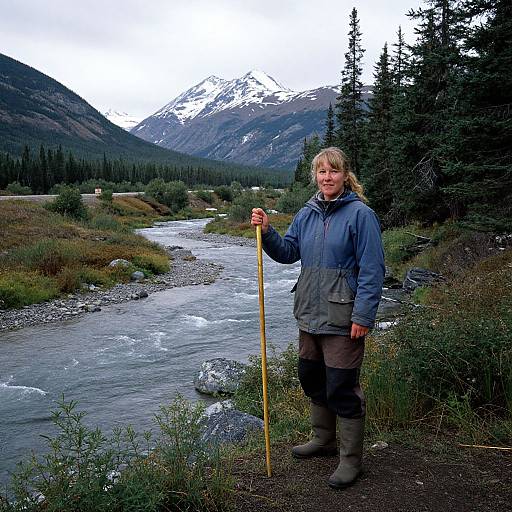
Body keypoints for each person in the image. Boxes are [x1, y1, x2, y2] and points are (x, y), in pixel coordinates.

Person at [251, 147, 385, 489]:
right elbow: (287, 252)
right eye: (322, 172)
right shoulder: (307, 213)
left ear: (345, 175)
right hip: (309, 314)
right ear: (316, 176)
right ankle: (323, 439)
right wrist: (267, 232)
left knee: (342, 387)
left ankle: (351, 460)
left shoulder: (361, 215)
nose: (327, 177)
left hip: (343, 316)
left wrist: (364, 316)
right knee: (311, 377)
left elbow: (372, 270)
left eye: (333, 171)